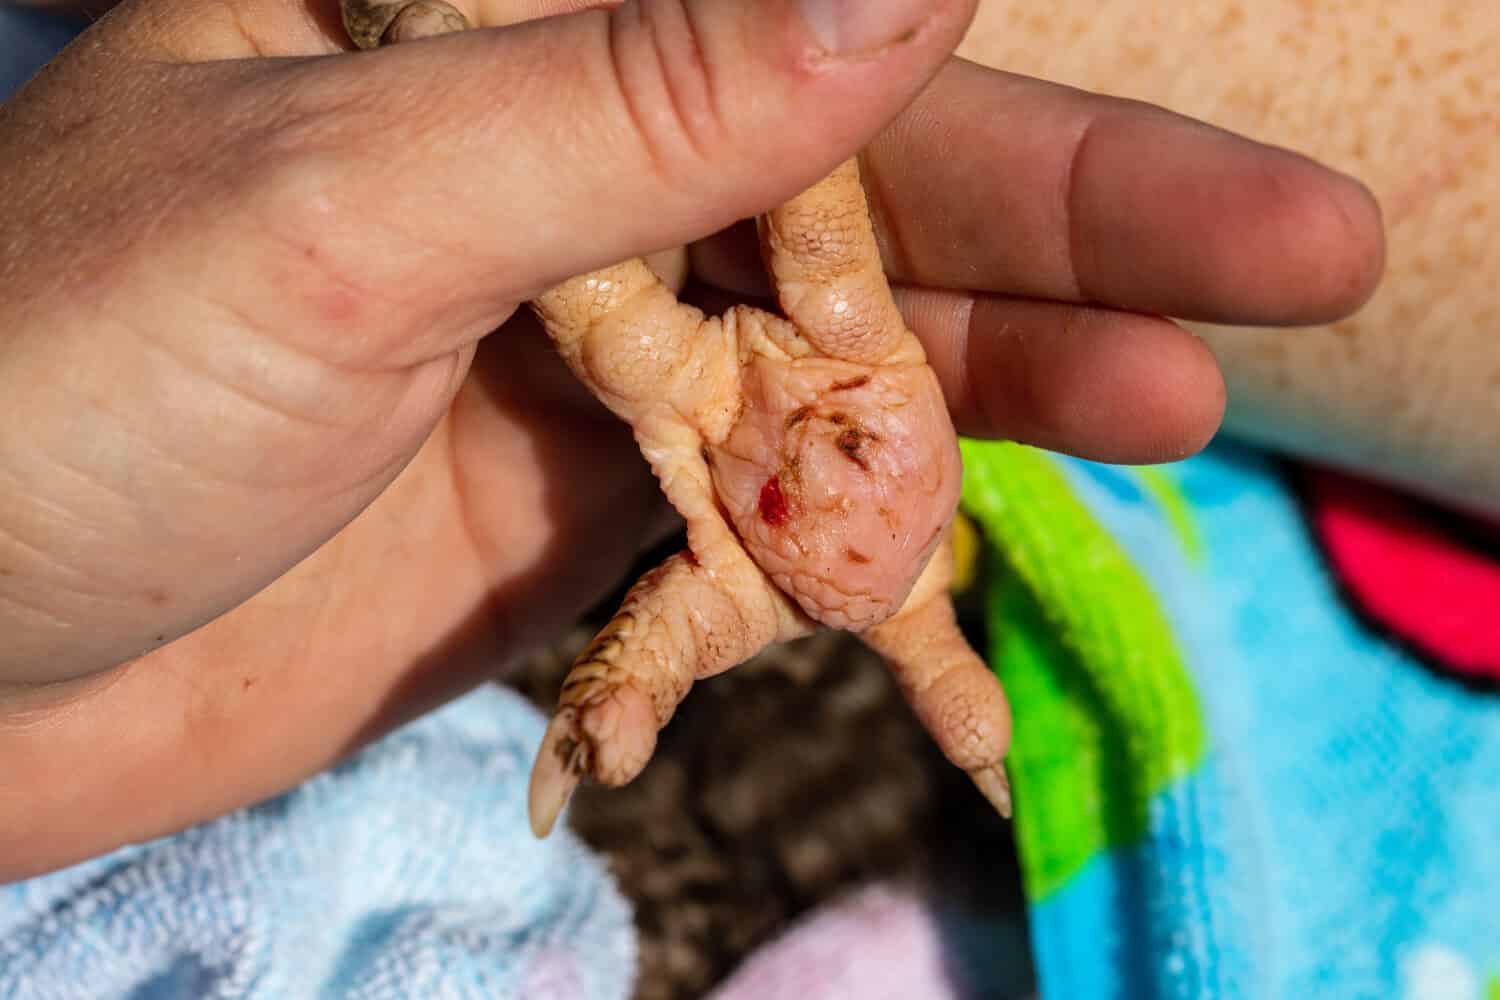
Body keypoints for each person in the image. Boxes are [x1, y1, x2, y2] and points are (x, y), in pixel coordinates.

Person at [0, 0, 1385, 883]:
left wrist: (620, 695)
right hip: (770, 392)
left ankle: (430, 41)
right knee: (744, 215)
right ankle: (432, 41)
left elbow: (761, 644)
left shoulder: (857, 608)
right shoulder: (883, 588)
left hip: (744, 465)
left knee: (691, 263)